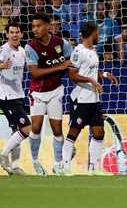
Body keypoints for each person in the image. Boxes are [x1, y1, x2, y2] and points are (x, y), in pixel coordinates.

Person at [62, 22, 117, 175]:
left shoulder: (93, 50)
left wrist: (104, 75)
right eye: (97, 32)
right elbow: (72, 75)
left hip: (94, 100)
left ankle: (94, 168)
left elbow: (91, 71)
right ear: (92, 33)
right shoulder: (78, 52)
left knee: (99, 132)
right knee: (74, 132)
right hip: (81, 99)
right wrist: (93, 81)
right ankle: (65, 166)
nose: (98, 35)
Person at [25, 12, 73, 175]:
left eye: (38, 26)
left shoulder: (61, 43)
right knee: (36, 127)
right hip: (38, 92)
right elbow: (35, 73)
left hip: (56, 90)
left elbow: (72, 61)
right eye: (33, 26)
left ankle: (58, 164)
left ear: (48, 26)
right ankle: (35, 162)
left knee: (57, 129)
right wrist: (59, 67)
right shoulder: (31, 46)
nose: (35, 29)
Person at [0, 23, 31, 175]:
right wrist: (2, 66)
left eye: (17, 32)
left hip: (18, 94)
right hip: (6, 96)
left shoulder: (22, 51)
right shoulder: (4, 49)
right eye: (11, 32)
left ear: (21, 34)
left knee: (16, 131)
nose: (14, 35)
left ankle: (14, 166)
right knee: (26, 129)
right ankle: (3, 155)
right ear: (6, 35)